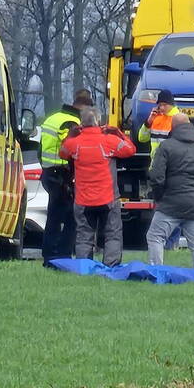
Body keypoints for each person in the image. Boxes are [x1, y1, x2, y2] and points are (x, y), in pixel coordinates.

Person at [59, 107, 136, 266]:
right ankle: (111, 267)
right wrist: (119, 133)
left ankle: (84, 267)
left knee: (84, 236)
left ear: (81, 123)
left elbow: (62, 152)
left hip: (83, 200)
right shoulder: (109, 141)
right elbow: (130, 150)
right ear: (98, 121)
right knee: (112, 234)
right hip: (108, 198)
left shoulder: (74, 143)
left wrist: (70, 135)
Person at [146, 113, 194, 270]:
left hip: (170, 202)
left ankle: (156, 271)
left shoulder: (166, 146)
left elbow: (156, 176)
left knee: (155, 236)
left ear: (173, 126)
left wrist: (159, 197)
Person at [39, 89, 96, 266]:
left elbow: (41, 149)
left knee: (54, 216)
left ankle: (49, 255)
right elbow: (71, 148)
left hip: (49, 173)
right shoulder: (73, 123)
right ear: (85, 107)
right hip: (63, 175)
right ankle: (62, 255)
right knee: (72, 217)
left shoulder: (53, 118)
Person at [137, 89, 181, 156]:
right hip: (156, 160)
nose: (162, 108)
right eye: (160, 105)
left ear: (171, 105)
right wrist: (149, 122)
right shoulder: (155, 117)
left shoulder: (179, 119)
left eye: (165, 105)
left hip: (171, 161)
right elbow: (142, 138)